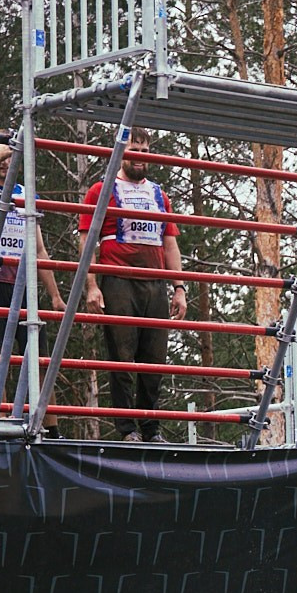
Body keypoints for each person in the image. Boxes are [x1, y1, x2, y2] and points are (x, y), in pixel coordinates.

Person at [0, 133, 99, 395]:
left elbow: (40, 249)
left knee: (38, 356)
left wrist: (55, 295)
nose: (4, 161)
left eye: (9, 155)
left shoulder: (26, 194)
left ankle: (49, 423)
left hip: (23, 282)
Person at [88, 155, 188, 439]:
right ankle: (127, 428)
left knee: (155, 356)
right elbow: (87, 238)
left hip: (155, 281)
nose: (139, 155)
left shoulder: (159, 194)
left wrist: (179, 287)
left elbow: (170, 243)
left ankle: (151, 426)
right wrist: (92, 285)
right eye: (133, 148)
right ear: (122, 153)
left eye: (144, 148)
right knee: (122, 354)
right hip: (118, 278)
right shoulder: (102, 190)